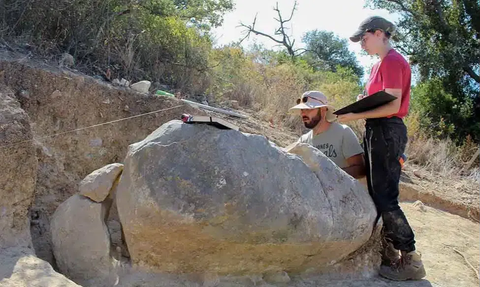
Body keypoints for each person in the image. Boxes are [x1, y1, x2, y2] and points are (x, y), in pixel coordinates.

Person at [338, 16, 426, 280]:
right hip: (378, 131)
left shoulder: (393, 61)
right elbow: (382, 99)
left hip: (387, 131)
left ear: (378, 33)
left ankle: (410, 260)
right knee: (379, 193)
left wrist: (351, 115)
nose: (361, 44)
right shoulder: (379, 65)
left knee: (386, 197)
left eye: (364, 38)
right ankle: (389, 253)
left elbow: (391, 106)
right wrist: (363, 102)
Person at [288, 91, 365, 179]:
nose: (303, 113)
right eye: (302, 110)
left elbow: (360, 169)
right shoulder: (303, 141)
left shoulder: (343, 132)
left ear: (323, 110)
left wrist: (329, 175)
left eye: (308, 109)